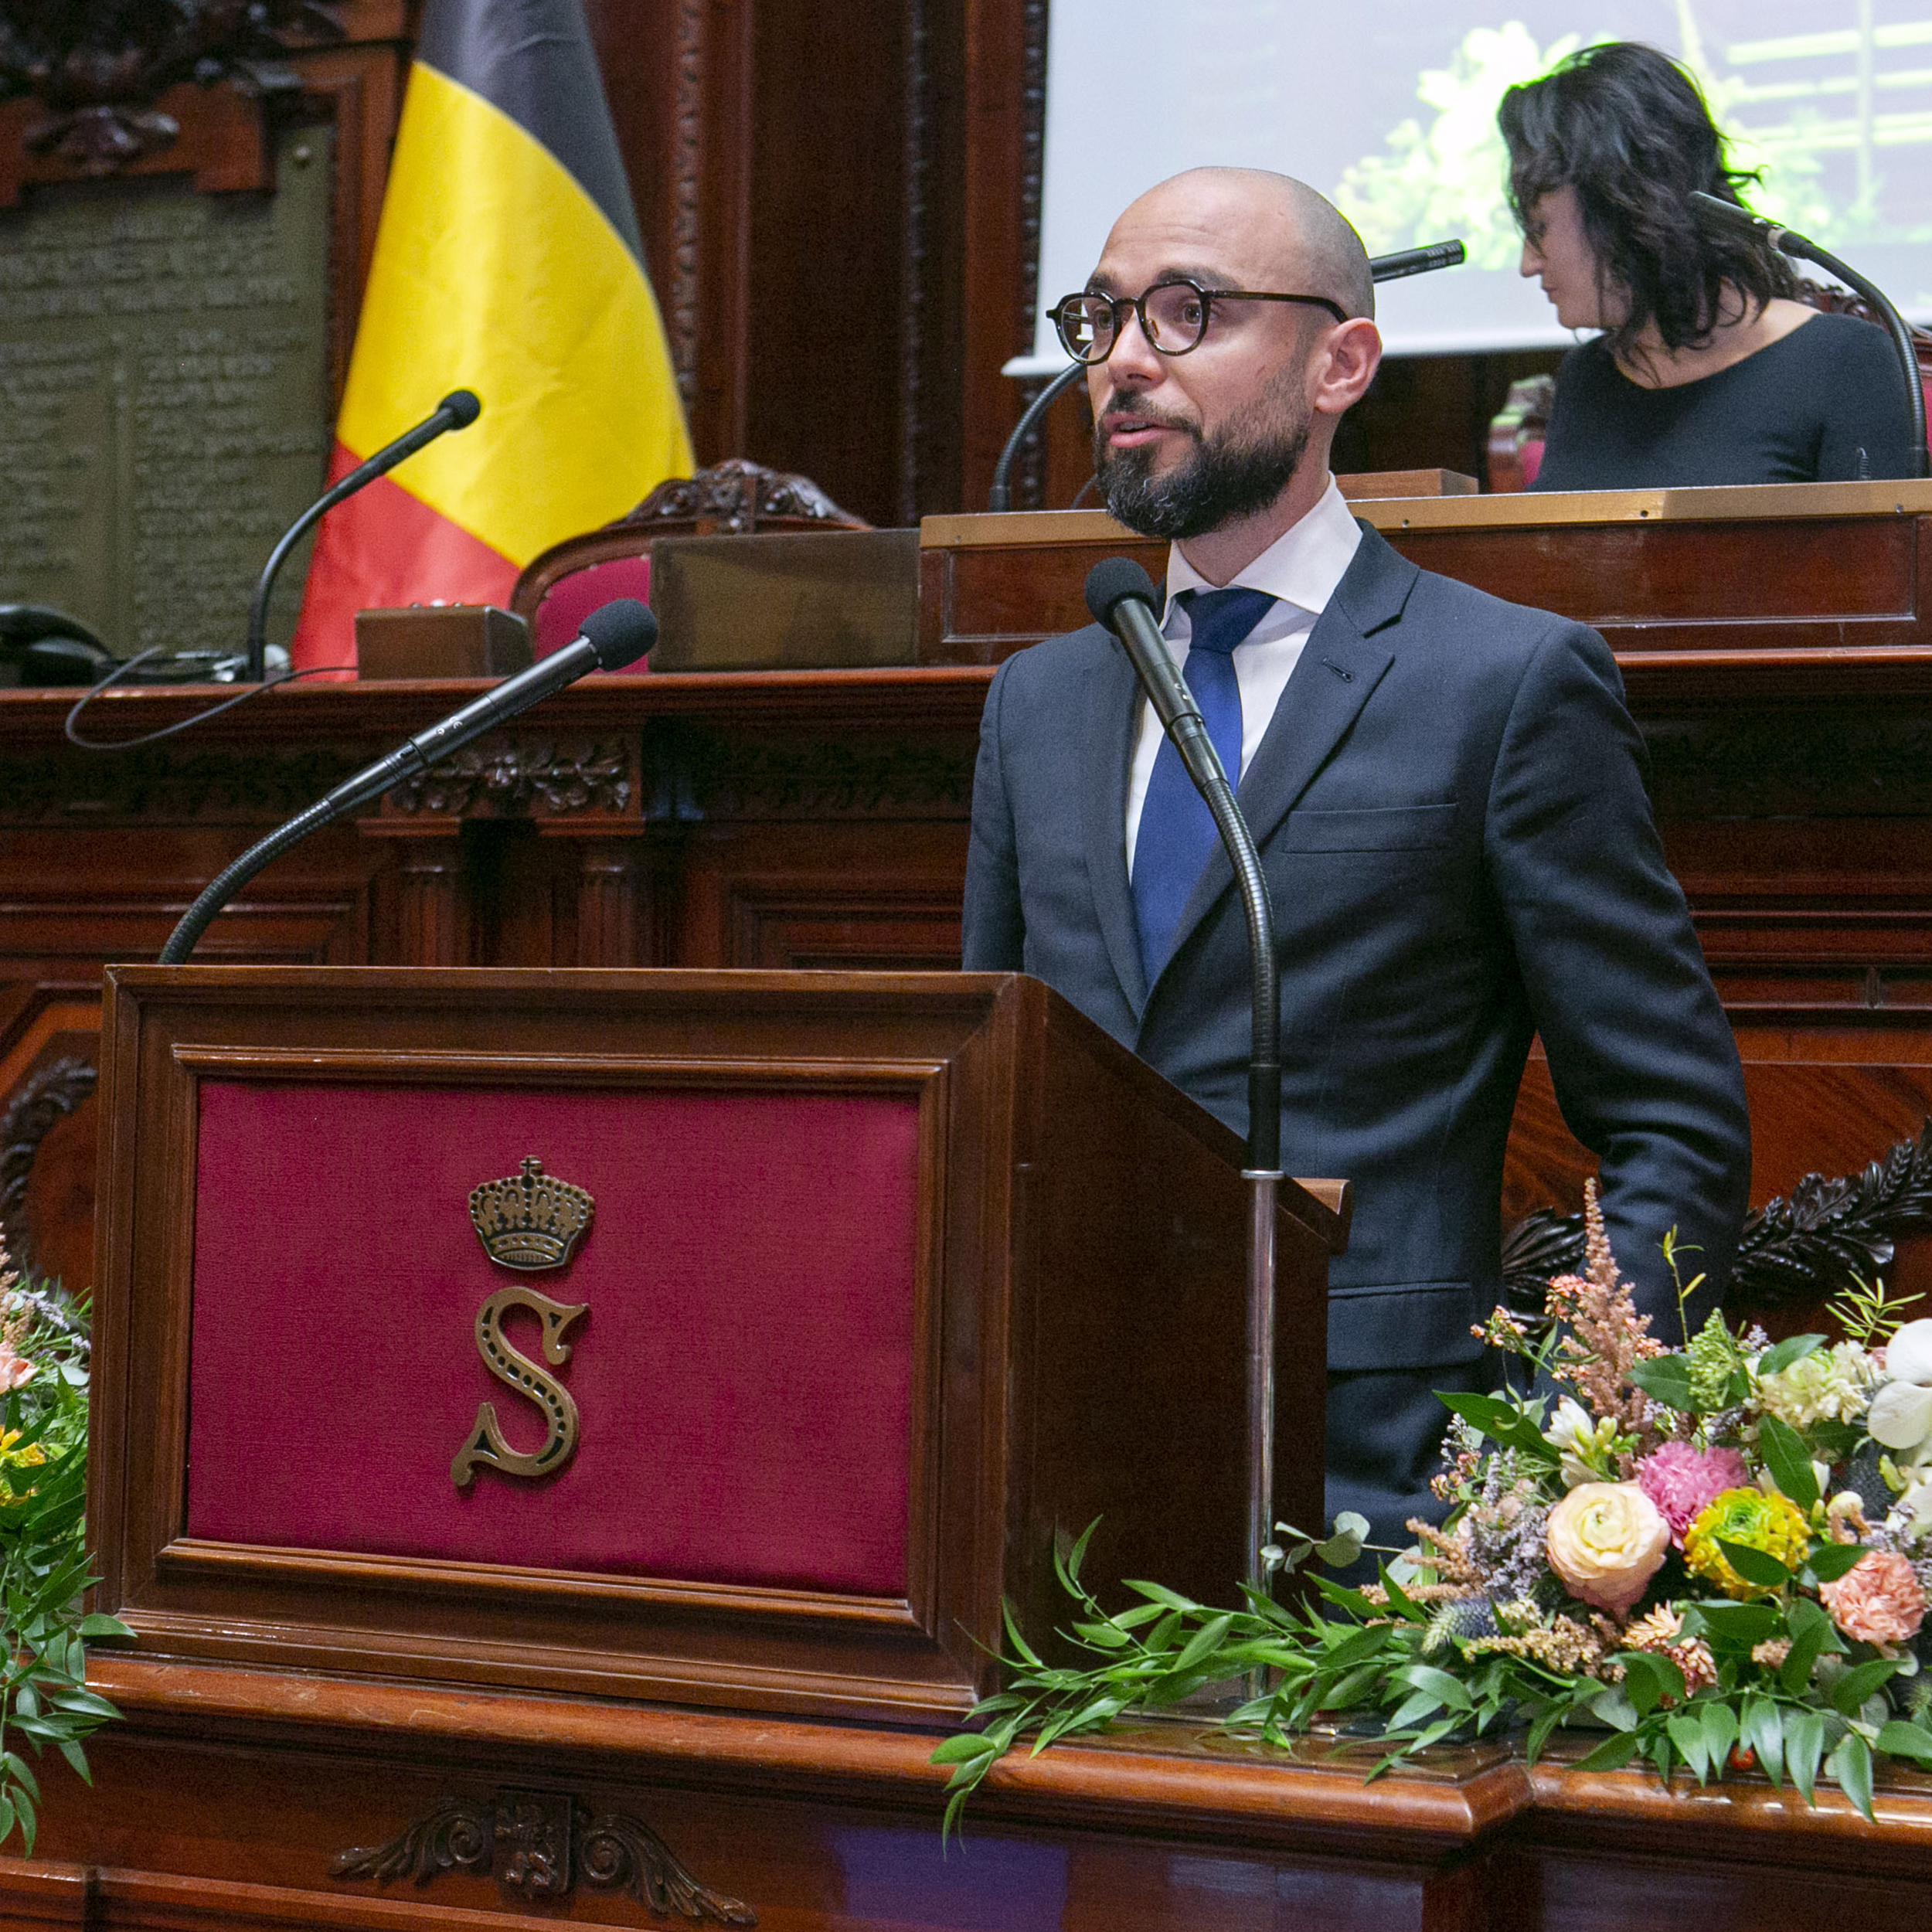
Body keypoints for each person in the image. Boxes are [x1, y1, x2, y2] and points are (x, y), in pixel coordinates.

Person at [961, 167, 1750, 1556]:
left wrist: (1559, 1463)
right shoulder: (1040, 702)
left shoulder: (1499, 684)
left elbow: (1671, 1121)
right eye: (1101, 320)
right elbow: (984, 1102)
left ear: (1342, 361)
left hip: (1388, 1495)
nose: (1126, 360)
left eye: (1188, 312)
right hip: (1056, 1473)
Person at [1500, 42, 1918, 491]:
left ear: (1622, 209)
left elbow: (1882, 558)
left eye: (1540, 228)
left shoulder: (1845, 361)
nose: (1528, 264)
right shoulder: (1589, 376)